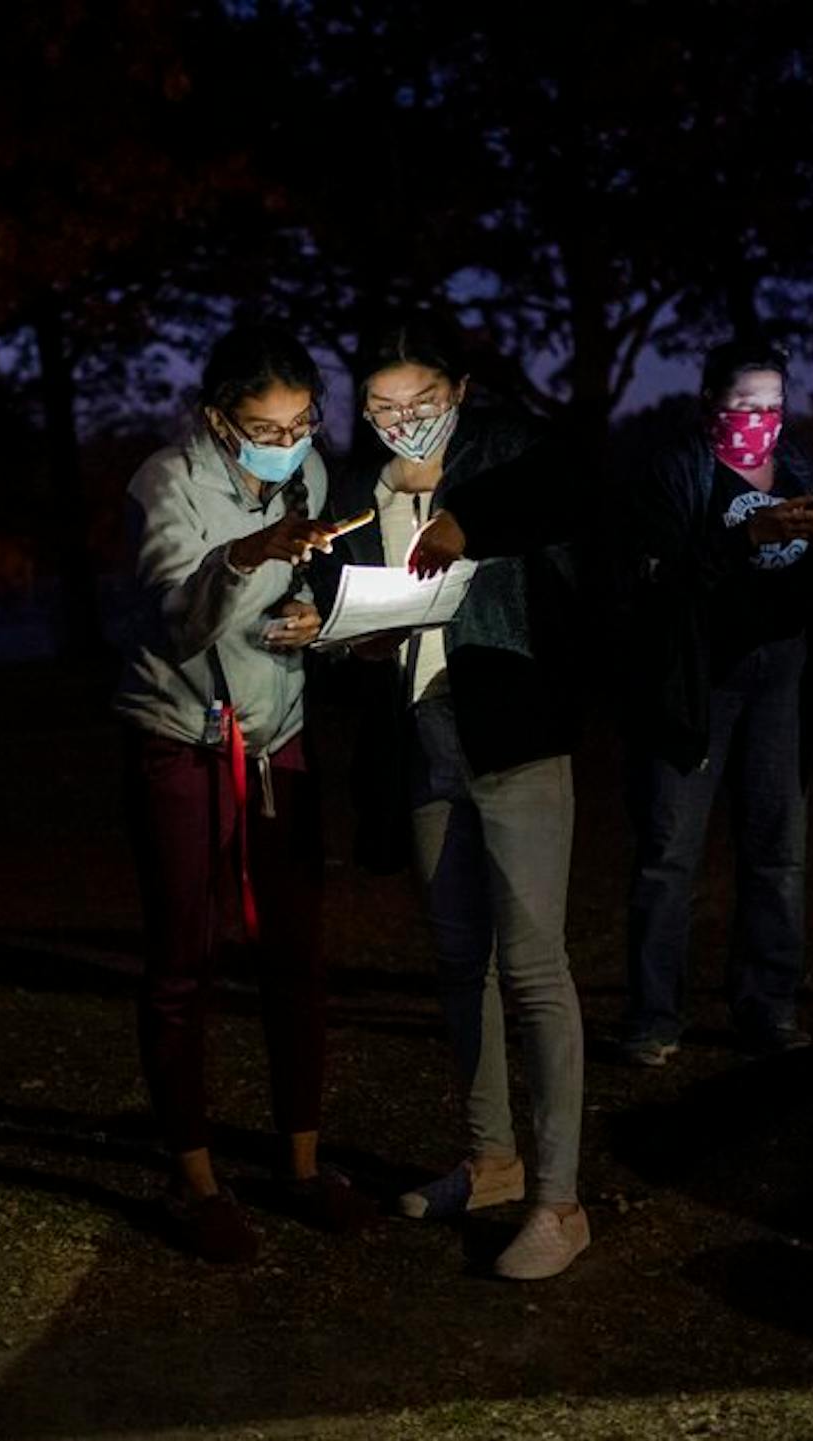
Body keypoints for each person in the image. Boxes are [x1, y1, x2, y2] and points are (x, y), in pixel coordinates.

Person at [315, 316, 591, 1279]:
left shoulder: (508, 447)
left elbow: (570, 487)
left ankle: (561, 1201)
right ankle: (493, 1160)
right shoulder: (359, 488)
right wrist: (348, 637)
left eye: (422, 402)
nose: (403, 422)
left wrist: (466, 508)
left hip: (513, 734)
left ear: (459, 391)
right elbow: (340, 589)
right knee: (458, 957)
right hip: (420, 746)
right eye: (383, 408)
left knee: (534, 968)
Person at [115, 323, 378, 1262]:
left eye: (305, 420)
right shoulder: (166, 484)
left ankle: (302, 1163)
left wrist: (318, 620)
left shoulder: (303, 478)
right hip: (184, 740)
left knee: (298, 953)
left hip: (280, 736)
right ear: (220, 420)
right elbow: (179, 624)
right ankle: (195, 1176)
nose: (290, 438)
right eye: (269, 424)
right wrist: (250, 551)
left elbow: (296, 597)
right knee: (183, 961)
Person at [618, 341, 813, 1067]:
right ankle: (655, 1017)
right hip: (699, 679)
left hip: (783, 672)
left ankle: (769, 1006)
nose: (758, 420)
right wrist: (747, 534)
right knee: (669, 853)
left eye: (771, 405)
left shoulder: (801, 467)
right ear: (710, 402)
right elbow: (656, 579)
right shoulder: (676, 470)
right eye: (743, 405)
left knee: (778, 849)